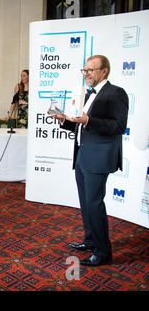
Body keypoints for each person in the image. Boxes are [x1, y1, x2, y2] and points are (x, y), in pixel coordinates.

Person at [52, 55, 128, 266]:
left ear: (104, 71)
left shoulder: (116, 93)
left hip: (99, 157)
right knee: (86, 203)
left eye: (90, 70)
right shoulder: (87, 94)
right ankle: (90, 240)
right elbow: (82, 124)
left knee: (94, 203)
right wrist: (65, 121)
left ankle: (103, 252)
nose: (85, 74)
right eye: (84, 70)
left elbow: (118, 126)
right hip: (82, 155)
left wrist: (90, 120)